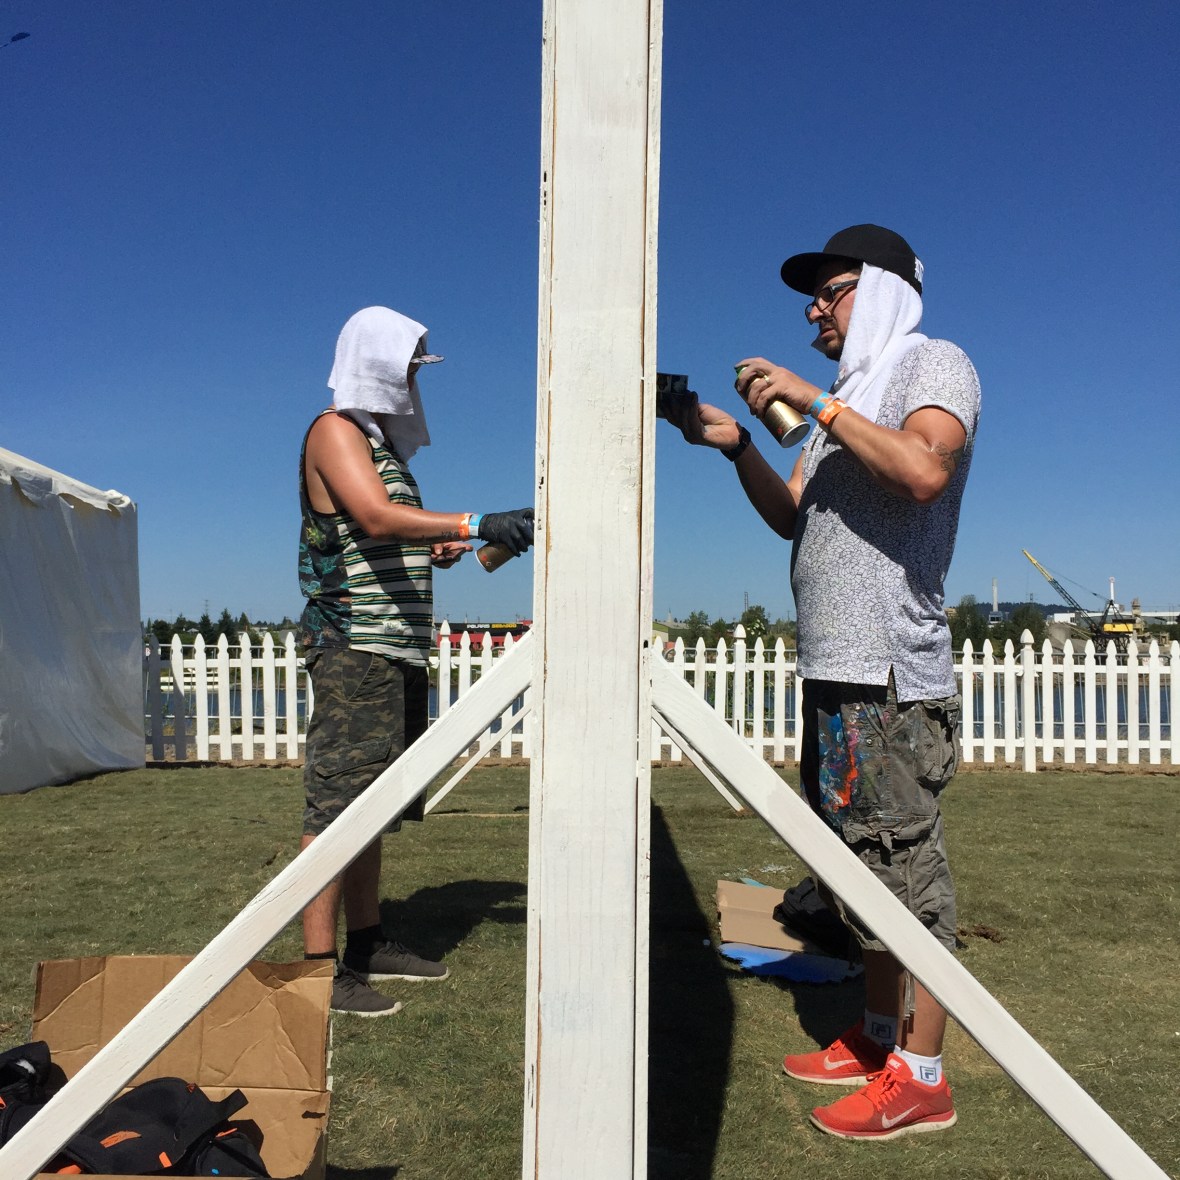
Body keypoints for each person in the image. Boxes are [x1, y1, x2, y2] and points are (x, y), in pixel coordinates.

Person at [666, 225, 980, 1139]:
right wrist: (735, 445)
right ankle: (880, 1037)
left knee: (905, 872)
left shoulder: (933, 364)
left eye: (829, 292)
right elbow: (793, 515)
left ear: (881, 291)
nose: (812, 313)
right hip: (834, 671)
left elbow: (924, 471)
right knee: (858, 868)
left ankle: (923, 1077)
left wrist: (812, 400)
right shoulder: (854, 395)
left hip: (889, 674)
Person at [298, 305, 534, 1016]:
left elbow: (379, 535)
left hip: (396, 645)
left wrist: (438, 546)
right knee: (336, 806)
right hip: (354, 645)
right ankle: (318, 969)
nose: (411, 380)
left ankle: (368, 941)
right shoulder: (334, 430)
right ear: (374, 361)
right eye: (405, 366)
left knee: (373, 807)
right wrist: (476, 522)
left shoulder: (384, 451)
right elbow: (373, 517)